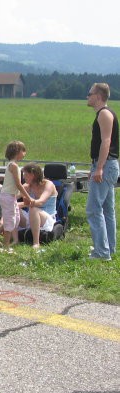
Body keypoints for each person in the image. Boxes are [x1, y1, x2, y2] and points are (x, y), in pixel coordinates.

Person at [86, 82, 119, 261]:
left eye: (89, 94)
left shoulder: (104, 114)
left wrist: (99, 167)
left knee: (93, 209)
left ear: (98, 96)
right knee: (107, 209)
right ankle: (109, 249)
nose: (87, 97)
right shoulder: (105, 114)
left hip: (106, 166)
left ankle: (101, 252)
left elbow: (106, 142)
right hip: (107, 165)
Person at [0, 140, 33, 253]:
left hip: (11, 196)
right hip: (7, 196)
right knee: (9, 221)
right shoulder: (13, 166)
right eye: (23, 151)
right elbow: (18, 184)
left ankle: (5, 241)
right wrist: (28, 197)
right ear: (17, 151)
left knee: (15, 219)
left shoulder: (14, 165)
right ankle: (5, 247)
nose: (25, 153)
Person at [18, 163, 58, 250]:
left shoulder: (48, 185)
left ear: (33, 175)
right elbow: (13, 196)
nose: (24, 177)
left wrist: (24, 204)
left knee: (33, 209)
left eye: (25, 175)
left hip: (47, 219)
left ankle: (36, 243)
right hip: (31, 218)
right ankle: (11, 237)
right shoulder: (27, 186)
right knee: (14, 208)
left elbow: (40, 202)